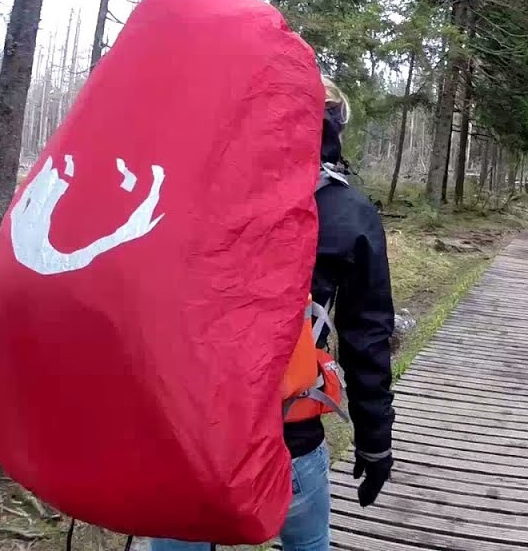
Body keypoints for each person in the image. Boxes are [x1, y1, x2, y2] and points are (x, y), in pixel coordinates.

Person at [151, 76, 396, 551]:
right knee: (307, 542)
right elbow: (366, 337)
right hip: (288, 439)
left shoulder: (195, 192)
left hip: (189, 436)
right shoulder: (348, 210)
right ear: (333, 127)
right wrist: (374, 442)